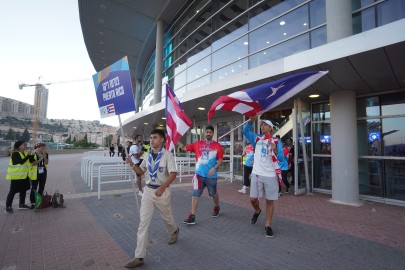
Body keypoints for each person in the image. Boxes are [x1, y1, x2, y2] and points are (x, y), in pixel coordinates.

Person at [124, 129, 179, 268]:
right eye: (151, 138)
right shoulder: (147, 155)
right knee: (143, 223)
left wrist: (163, 186)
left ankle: (173, 230)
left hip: (163, 191)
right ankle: (139, 256)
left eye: (154, 137)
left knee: (167, 218)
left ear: (162, 140)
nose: (152, 140)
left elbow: (173, 173)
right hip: (149, 191)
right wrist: (131, 164)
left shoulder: (167, 155)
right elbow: (141, 172)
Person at [243, 116, 283, 237]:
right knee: (253, 199)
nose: (262, 126)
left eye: (265, 124)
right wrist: (250, 121)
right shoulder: (257, 138)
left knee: (269, 201)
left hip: (270, 175)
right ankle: (257, 210)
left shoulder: (276, 141)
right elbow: (245, 131)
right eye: (262, 124)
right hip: (256, 174)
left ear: (270, 128)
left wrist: (275, 150)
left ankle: (268, 225)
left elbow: (281, 159)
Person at [178, 125, 224, 225]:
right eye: (207, 132)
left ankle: (216, 206)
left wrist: (215, 167)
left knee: (213, 194)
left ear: (213, 134)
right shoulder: (197, 144)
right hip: (199, 175)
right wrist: (176, 140)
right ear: (205, 133)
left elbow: (220, 159)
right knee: (195, 194)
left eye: (210, 132)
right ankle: (192, 216)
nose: (208, 133)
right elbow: (185, 148)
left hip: (211, 176)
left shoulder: (217, 146)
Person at [5, 140, 39, 213]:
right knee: (12, 192)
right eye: (24, 145)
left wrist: (33, 154)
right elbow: (21, 161)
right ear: (19, 146)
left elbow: (32, 161)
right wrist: (28, 155)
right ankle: (8, 207)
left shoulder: (25, 153)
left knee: (23, 190)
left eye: (25, 144)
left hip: (24, 176)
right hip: (16, 177)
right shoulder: (15, 154)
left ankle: (21, 204)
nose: (25, 146)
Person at [29, 143, 49, 209]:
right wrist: (41, 158)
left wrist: (45, 156)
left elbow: (46, 162)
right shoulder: (33, 154)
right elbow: (34, 163)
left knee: (42, 187)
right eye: (42, 147)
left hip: (43, 172)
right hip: (35, 173)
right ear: (38, 147)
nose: (43, 148)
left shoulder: (45, 153)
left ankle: (39, 201)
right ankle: (32, 202)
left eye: (44, 147)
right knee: (34, 187)